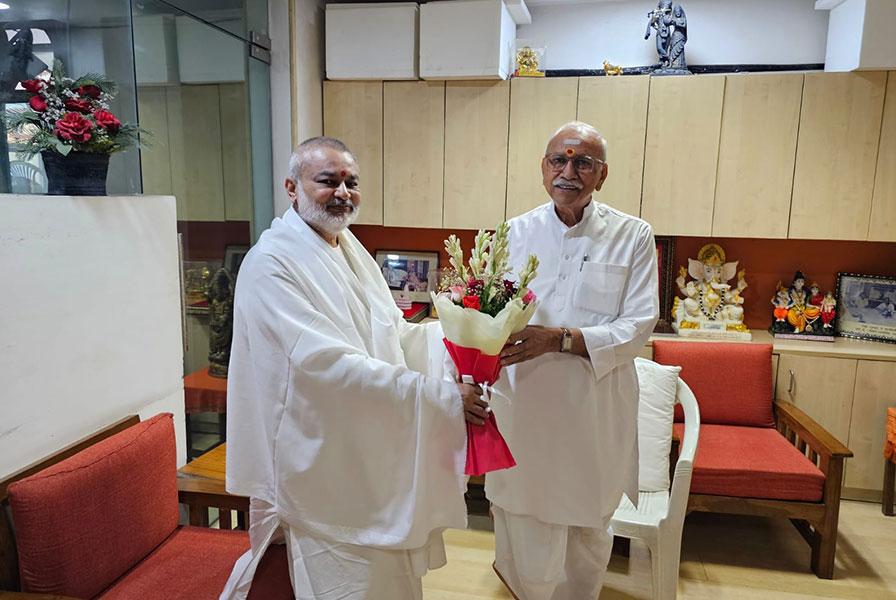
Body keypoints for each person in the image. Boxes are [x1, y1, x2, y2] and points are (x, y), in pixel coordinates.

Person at [220, 137, 488, 600]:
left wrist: (463, 343)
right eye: (327, 181)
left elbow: (390, 334)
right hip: (326, 464)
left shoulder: (346, 247)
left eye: (351, 182)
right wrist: (437, 396)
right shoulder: (272, 263)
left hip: (370, 449)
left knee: (390, 580)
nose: (342, 192)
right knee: (349, 582)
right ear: (291, 187)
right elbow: (322, 365)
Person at [489, 121, 659, 599]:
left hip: (593, 409)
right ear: (543, 169)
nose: (569, 171)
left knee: (587, 527)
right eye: (558, 161)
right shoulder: (512, 233)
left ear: (601, 175)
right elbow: (488, 317)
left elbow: (638, 325)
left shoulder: (633, 236)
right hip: (525, 407)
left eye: (583, 162)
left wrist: (559, 339)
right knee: (521, 514)